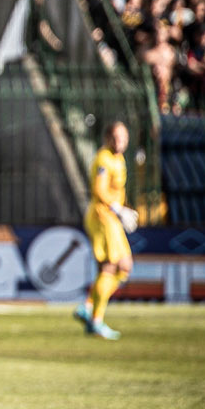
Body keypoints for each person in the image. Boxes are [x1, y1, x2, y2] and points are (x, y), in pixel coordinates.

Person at [74, 121, 136, 341]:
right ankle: (95, 318)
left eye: (124, 138)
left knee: (124, 267)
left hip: (111, 218)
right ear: (108, 138)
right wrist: (117, 209)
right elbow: (99, 190)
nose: (121, 142)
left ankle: (89, 307)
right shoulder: (104, 159)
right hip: (102, 217)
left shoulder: (118, 159)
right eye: (117, 138)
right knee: (110, 267)